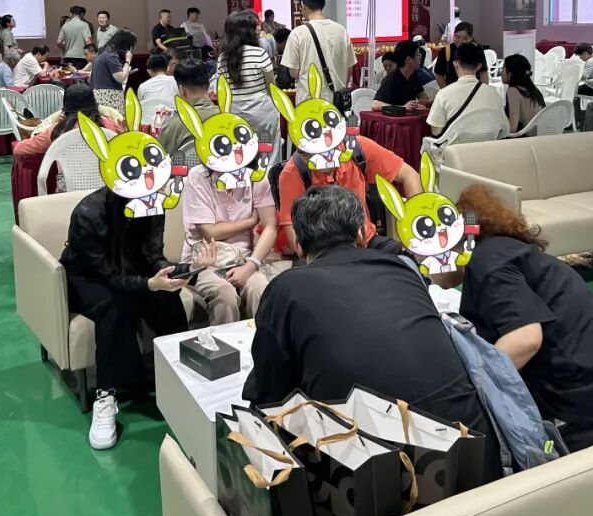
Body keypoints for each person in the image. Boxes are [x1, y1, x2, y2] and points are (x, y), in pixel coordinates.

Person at [243, 185, 503, 481]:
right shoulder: (403, 268)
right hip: (478, 458)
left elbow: (268, 393)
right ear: (359, 234)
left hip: (380, 482)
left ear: (300, 246)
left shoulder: (286, 288)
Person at [452, 185, 593, 452]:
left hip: (589, 415)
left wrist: (470, 387)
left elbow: (525, 339)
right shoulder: (510, 251)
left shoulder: (486, 262)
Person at [61, 183, 212, 449]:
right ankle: (105, 395)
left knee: (167, 298)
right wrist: (149, 284)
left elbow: (154, 258)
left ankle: (181, 375)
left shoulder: (153, 205)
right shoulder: (89, 213)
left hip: (131, 270)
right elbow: (109, 276)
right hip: (88, 276)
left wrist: (189, 269)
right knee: (114, 305)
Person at [180, 153, 287, 324]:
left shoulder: (257, 175)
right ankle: (222, 342)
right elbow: (210, 232)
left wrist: (250, 266)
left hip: (243, 259)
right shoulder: (198, 176)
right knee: (225, 294)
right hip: (204, 261)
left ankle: (261, 340)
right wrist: (251, 221)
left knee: (261, 290)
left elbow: (270, 226)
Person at [277, 131, 421, 253]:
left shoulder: (358, 148)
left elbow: (410, 176)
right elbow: (292, 232)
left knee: (406, 261)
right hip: (322, 251)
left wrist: (415, 231)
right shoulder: (292, 173)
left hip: (366, 241)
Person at [216, 10, 282, 162]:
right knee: (268, 153)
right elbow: (271, 87)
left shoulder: (222, 58)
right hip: (262, 111)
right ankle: (269, 177)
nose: (257, 30)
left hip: (234, 112)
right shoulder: (259, 54)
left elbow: (222, 90)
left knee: (241, 154)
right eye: (254, 27)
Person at [14, 83, 126, 164]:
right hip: (109, 183)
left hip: (69, 186)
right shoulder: (111, 124)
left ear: (65, 110)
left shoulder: (56, 130)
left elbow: (18, 149)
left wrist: (55, 123)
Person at [280, 0, 355, 104]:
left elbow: (293, 72)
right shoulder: (341, 31)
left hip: (309, 102)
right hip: (336, 102)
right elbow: (349, 67)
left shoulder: (297, 34)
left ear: (303, 5)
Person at [427, 43, 505, 137]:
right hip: (487, 145)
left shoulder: (443, 94)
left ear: (455, 64)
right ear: (479, 66)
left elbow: (436, 131)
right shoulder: (493, 94)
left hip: (455, 145)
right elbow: (505, 128)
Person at [158, 58, 217, 156]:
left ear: (182, 91)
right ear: (208, 86)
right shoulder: (227, 117)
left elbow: (160, 158)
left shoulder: (171, 125)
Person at [372, 40, 433, 110]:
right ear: (408, 59)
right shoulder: (391, 80)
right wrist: (402, 107)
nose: (420, 57)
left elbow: (423, 97)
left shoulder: (413, 75)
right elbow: (375, 104)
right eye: (418, 55)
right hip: (393, 116)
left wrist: (428, 102)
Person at [91, 29, 136, 113]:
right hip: (110, 95)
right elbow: (121, 78)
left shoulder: (101, 53)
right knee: (116, 120)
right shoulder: (111, 56)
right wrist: (128, 60)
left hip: (98, 94)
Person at [501, 54, 544, 134]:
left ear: (510, 73)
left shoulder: (513, 91)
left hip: (526, 137)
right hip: (540, 134)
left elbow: (512, 128)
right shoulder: (533, 89)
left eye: (503, 68)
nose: (501, 72)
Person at [433, 21, 478, 87]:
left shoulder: (476, 50)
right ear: (453, 35)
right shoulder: (445, 51)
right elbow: (438, 74)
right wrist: (446, 90)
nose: (461, 41)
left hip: (473, 88)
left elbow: (483, 73)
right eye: (457, 37)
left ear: (471, 38)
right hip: (451, 88)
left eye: (465, 38)